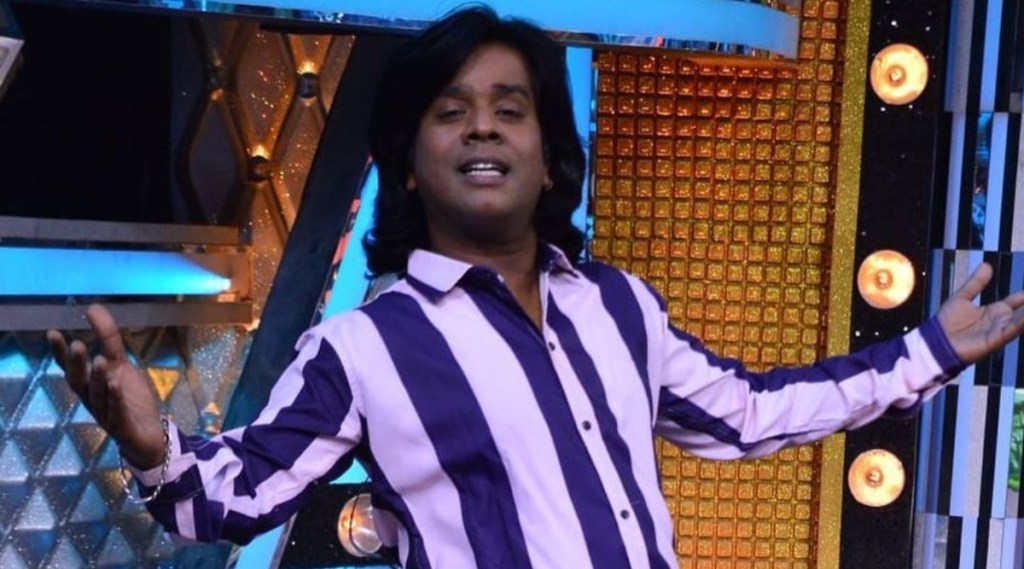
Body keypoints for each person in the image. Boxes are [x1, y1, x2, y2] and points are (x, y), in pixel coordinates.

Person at [48, 7, 1024, 569]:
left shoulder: (617, 305)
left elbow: (752, 412)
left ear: (549, 153)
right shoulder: (364, 348)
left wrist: (929, 350)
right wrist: (152, 445)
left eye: (508, 108)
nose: (482, 128)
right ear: (408, 163)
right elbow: (228, 500)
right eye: (450, 111)